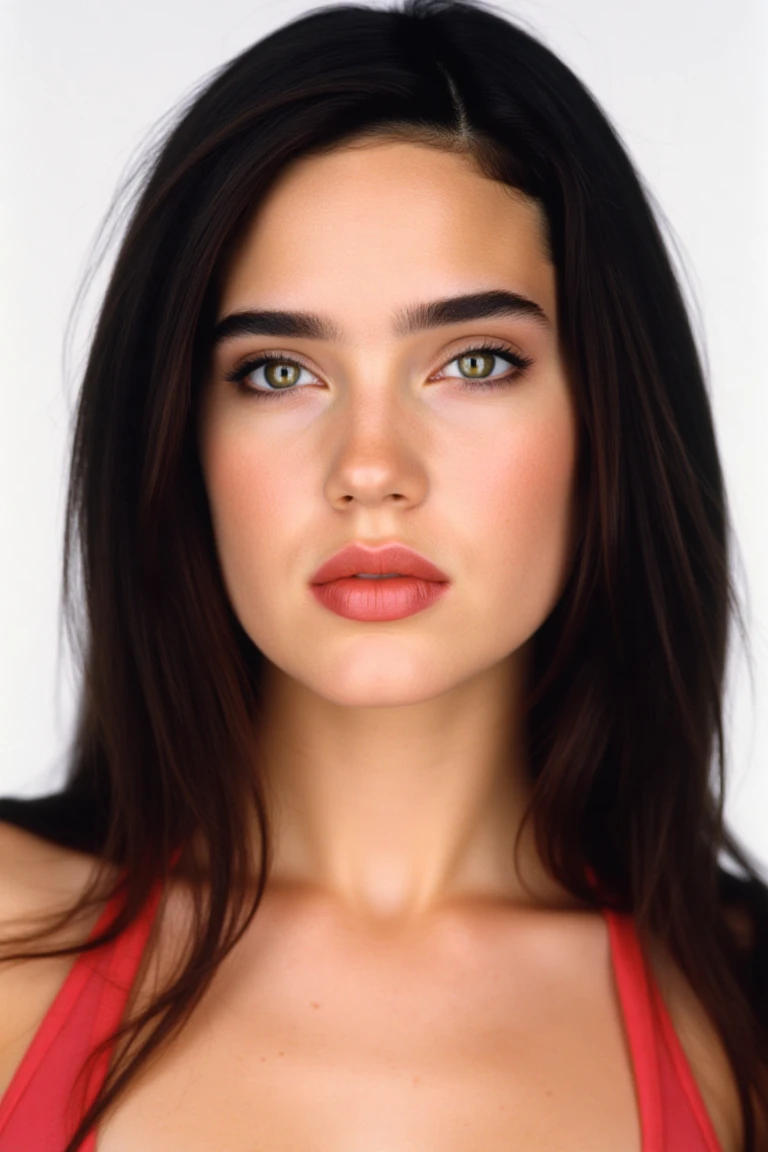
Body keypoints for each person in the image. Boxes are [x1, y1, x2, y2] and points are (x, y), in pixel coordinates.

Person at [0, 0, 766, 1149]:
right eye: (276, 373)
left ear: (605, 415)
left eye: (473, 361)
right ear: (175, 438)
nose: (369, 470)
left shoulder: (744, 1019)